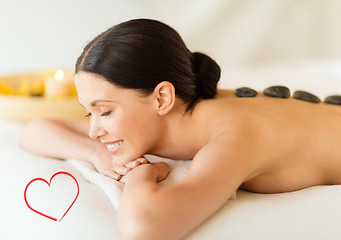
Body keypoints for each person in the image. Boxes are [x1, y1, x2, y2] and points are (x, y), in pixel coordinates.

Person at [18, 18, 341, 240]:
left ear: (162, 97)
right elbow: (35, 130)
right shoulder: (177, 113)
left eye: (104, 111)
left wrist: (142, 174)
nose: (94, 130)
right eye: (89, 114)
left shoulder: (232, 136)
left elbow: (144, 227)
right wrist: (98, 155)